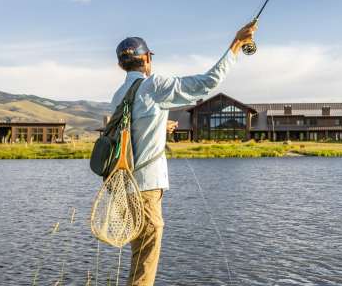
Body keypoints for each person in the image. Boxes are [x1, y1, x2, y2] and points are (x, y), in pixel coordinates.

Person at [106, 20, 256, 286]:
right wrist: (236, 44)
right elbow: (208, 83)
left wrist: (160, 126)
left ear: (121, 65)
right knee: (145, 261)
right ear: (147, 59)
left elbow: (133, 130)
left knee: (139, 255)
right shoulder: (153, 85)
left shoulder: (118, 95)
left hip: (123, 187)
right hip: (145, 188)